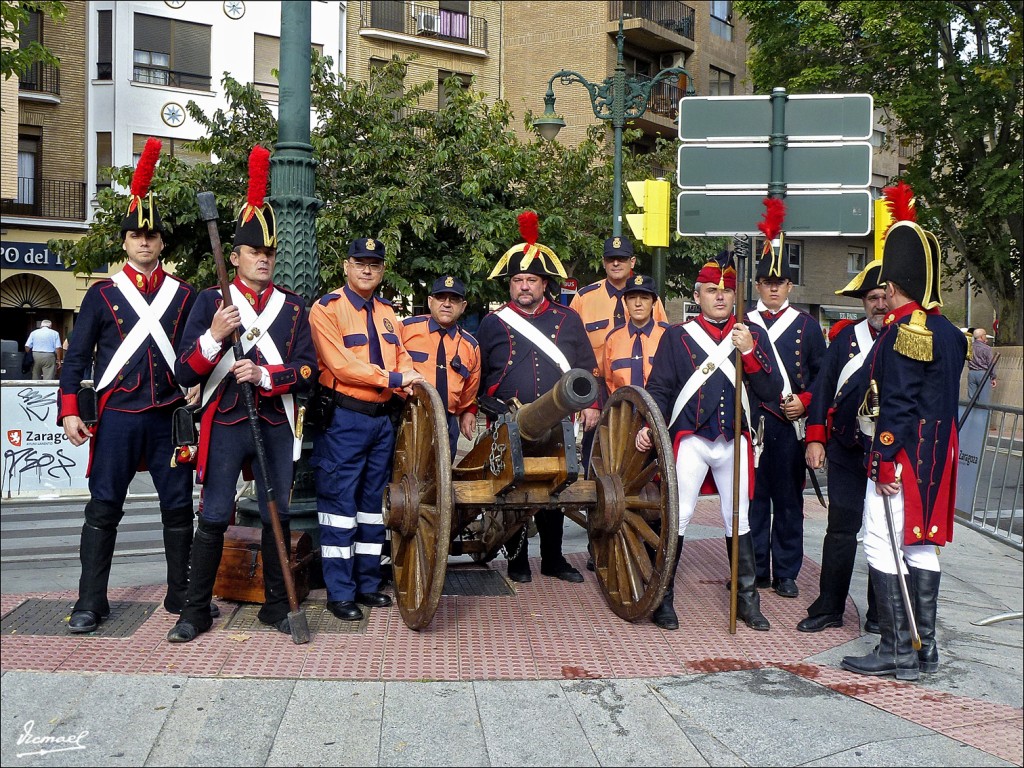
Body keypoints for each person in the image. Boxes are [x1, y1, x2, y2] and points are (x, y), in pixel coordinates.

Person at [167, 146, 317, 643]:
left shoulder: (293, 308)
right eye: (255, 252)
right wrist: (213, 336)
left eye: (270, 254)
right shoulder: (210, 301)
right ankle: (195, 609)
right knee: (213, 512)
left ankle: (276, 604)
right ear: (235, 257)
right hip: (226, 420)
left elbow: (308, 371)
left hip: (273, 421)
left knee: (277, 510)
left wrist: (268, 375)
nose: (264, 260)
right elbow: (181, 371)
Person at [57, 138, 198, 634]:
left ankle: (180, 595)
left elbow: (194, 351)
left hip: (167, 415)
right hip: (117, 414)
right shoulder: (101, 295)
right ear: (124, 242)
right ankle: (90, 602)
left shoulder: (184, 295)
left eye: (152, 236)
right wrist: (72, 410)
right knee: (103, 509)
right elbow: (75, 358)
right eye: (136, 235)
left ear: (162, 244)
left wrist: (197, 386)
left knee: (179, 508)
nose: (144, 242)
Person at [841, 182, 967, 680]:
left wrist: (887, 457)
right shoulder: (948, 332)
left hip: (906, 454)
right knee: (921, 543)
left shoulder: (905, 331)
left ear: (892, 286)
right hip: (938, 454)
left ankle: (896, 648)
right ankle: (925, 647)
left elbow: (898, 403)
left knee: (879, 540)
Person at [637, 251, 783, 631]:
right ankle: (662, 596)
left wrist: (749, 350)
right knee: (679, 515)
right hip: (691, 437)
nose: (720, 296)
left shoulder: (752, 335)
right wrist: (650, 425)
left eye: (727, 291)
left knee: (739, 519)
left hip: (734, 440)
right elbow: (661, 387)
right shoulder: (678, 336)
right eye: (712, 290)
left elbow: (771, 390)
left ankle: (747, 600)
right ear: (697, 295)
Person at [476, 210, 600, 585]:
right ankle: (517, 560)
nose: (524, 286)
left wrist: (592, 404)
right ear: (509, 286)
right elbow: (479, 374)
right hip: (508, 418)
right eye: (518, 280)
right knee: (511, 487)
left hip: (558, 418)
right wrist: (483, 405)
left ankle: (553, 558)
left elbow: (587, 365)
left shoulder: (568, 319)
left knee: (556, 486)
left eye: (531, 280)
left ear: (544, 284)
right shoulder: (493, 322)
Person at [309, 237, 424, 622]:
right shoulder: (327, 309)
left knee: (372, 508)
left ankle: (368, 584)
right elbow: (340, 365)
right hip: (345, 418)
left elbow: (403, 355)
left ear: (382, 270)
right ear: (346, 266)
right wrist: (394, 377)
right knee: (340, 508)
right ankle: (339, 593)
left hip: (382, 420)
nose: (367, 269)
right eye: (360, 262)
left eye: (375, 264)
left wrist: (407, 376)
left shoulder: (389, 314)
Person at [798, 260, 887, 633]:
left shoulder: (906, 338)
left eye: (884, 296)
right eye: (872, 297)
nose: (879, 304)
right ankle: (829, 606)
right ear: (863, 302)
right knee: (840, 529)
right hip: (846, 449)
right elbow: (822, 390)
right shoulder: (845, 339)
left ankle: (880, 614)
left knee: (882, 533)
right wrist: (816, 437)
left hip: (886, 454)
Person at [746, 229, 827, 598]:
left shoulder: (808, 327)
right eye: (767, 283)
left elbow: (822, 378)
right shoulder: (744, 324)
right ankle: (757, 568)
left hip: (790, 426)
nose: (773, 289)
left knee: (790, 503)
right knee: (753, 501)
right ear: (758, 285)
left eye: (779, 283)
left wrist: (806, 403)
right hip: (753, 424)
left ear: (790, 286)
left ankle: (787, 572)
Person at [570, 236, 668, 470]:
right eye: (611, 259)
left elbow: (665, 348)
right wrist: (588, 401)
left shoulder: (652, 300)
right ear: (604, 262)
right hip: (599, 394)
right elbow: (572, 351)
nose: (616, 264)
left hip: (649, 396)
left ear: (632, 261)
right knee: (596, 461)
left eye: (622, 258)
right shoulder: (584, 298)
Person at [399, 275, 481, 458]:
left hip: (447, 423)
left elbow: (470, 390)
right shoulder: (405, 329)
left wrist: (469, 411)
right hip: (406, 418)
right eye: (441, 297)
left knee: (442, 481)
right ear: (430, 301)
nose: (446, 304)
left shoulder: (471, 346)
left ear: (463, 306)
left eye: (454, 299)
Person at [600, 274, 669, 395]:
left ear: (654, 302)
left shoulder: (668, 336)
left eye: (644, 298)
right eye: (632, 298)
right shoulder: (613, 339)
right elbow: (608, 382)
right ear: (625, 302)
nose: (638, 303)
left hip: (660, 411)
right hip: (622, 410)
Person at [966, 328, 997, 402]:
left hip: (971, 373)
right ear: (982, 336)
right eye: (985, 335)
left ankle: (971, 413)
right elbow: (990, 363)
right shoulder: (986, 348)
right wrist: (993, 377)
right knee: (984, 399)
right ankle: (982, 413)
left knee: (971, 398)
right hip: (983, 373)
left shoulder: (970, 347)